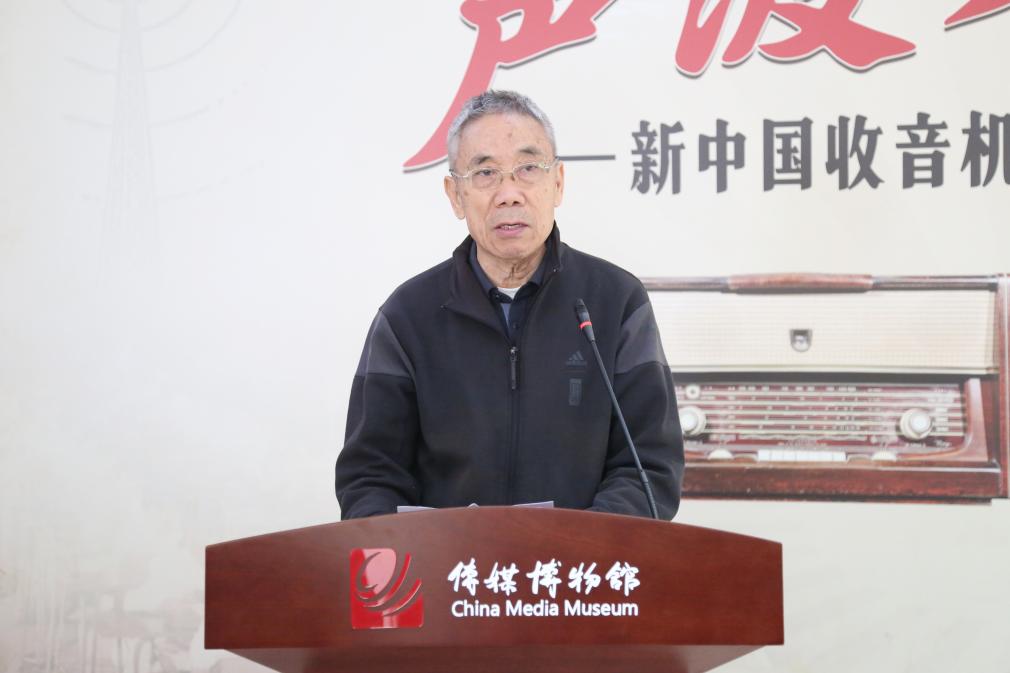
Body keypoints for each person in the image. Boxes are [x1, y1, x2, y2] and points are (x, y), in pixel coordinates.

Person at [335, 90, 683, 519]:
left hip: (579, 560)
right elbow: (369, 477)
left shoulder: (616, 301)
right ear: (455, 195)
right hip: (447, 562)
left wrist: (577, 545)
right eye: (485, 173)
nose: (509, 194)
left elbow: (649, 467)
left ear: (558, 183)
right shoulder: (407, 317)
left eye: (528, 169)